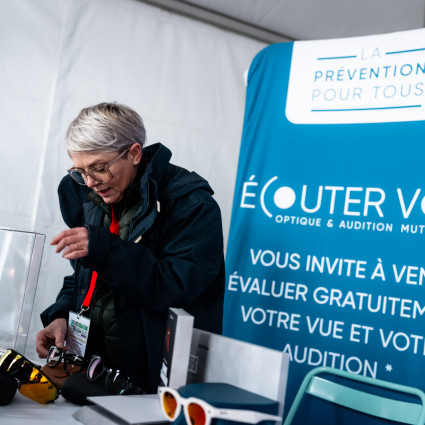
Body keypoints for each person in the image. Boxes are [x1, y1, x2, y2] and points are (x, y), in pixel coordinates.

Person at [35, 102, 225, 394]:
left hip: (155, 383)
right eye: (79, 170)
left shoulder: (192, 205)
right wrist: (61, 315)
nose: (90, 181)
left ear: (134, 153)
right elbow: (84, 276)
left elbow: (175, 288)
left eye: (99, 168)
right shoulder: (89, 197)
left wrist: (106, 250)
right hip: (94, 372)